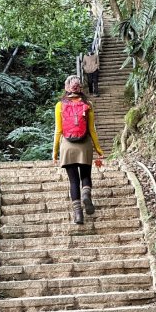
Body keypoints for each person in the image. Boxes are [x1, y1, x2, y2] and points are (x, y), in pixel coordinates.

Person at [53, 75, 104, 224]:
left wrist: (55, 152)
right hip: (85, 145)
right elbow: (92, 130)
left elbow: (58, 130)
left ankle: (78, 215)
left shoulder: (59, 105)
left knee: (73, 181)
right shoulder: (87, 104)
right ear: (80, 87)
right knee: (85, 176)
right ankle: (86, 195)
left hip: (67, 147)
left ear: (67, 88)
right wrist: (98, 149)